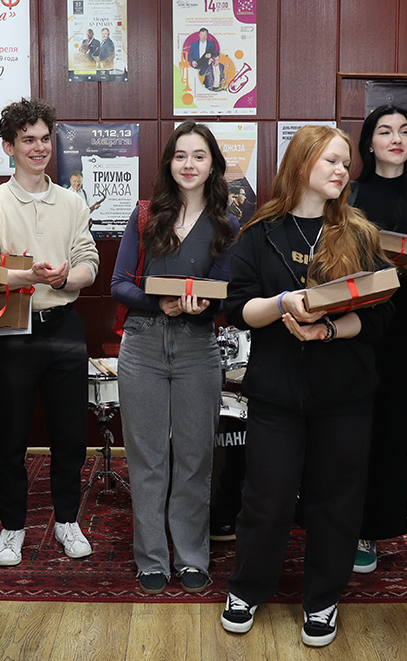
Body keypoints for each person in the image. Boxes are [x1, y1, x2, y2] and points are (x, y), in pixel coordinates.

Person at [219, 125, 392, 646]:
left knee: (335, 500)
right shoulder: (259, 233)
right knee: (266, 498)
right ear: (301, 164)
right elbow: (237, 309)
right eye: (331, 161)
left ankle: (322, 599)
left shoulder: (360, 234)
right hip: (276, 393)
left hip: (345, 395)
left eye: (345, 162)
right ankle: (247, 588)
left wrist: (327, 330)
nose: (343, 170)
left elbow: (380, 318)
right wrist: (282, 304)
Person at [0, 98, 99, 568]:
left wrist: (63, 279)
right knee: (10, 438)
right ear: (9, 147)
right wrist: (29, 276)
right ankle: (13, 527)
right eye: (28, 140)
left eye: (45, 139)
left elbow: (89, 264)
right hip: (12, 328)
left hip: (64, 324)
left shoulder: (72, 202)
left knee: (70, 436)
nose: (39, 148)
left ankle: (67, 521)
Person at [111, 122, 237, 595]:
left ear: (213, 164)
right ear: (168, 163)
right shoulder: (146, 214)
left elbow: (227, 294)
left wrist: (205, 306)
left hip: (197, 347)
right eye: (180, 155)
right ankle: (151, 558)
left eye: (199, 156)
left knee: (194, 457)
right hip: (142, 344)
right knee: (147, 459)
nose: (188, 164)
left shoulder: (227, 224)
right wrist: (157, 302)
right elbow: (118, 284)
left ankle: (190, 556)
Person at [348, 104, 407, 574]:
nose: (396, 138)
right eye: (385, 131)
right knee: (349, 423)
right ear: (369, 143)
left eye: (404, 131)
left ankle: (373, 528)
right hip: (352, 316)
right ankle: (341, 520)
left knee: (387, 425)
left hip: (397, 318)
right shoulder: (350, 193)